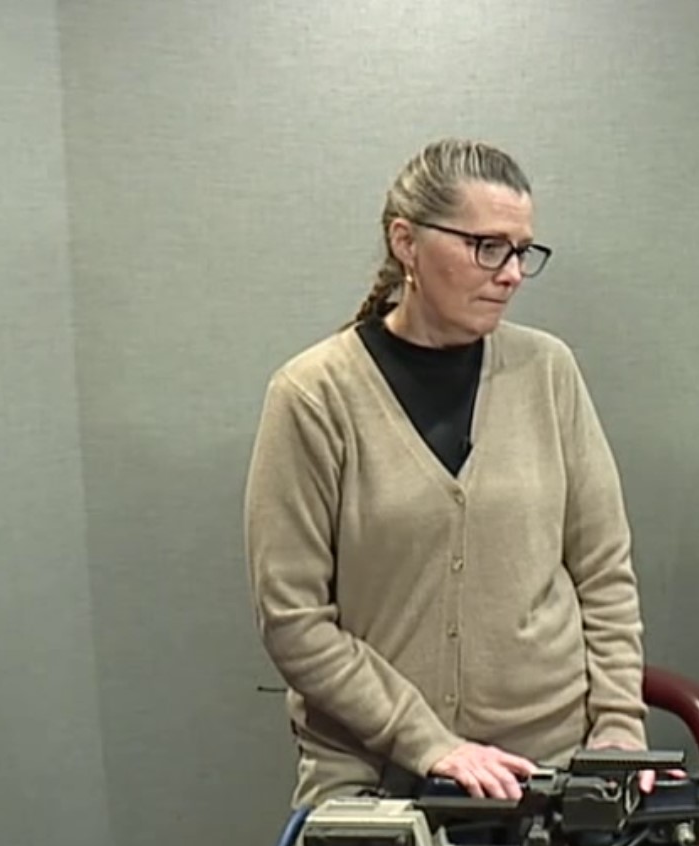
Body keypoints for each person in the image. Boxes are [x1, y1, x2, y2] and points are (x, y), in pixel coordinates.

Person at [245, 137, 651, 808]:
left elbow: (604, 573)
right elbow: (293, 620)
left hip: (547, 765)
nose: (511, 272)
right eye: (486, 246)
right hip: (375, 773)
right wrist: (430, 744)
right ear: (406, 242)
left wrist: (615, 726)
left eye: (522, 251)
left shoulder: (547, 371)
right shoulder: (314, 394)